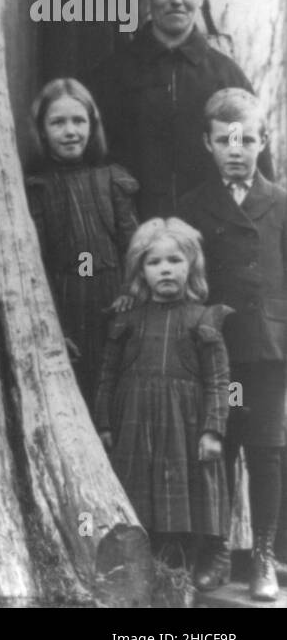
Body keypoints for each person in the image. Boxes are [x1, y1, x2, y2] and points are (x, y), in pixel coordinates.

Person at [176, 89, 287, 600]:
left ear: (262, 142)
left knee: (265, 452)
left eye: (246, 139)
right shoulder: (192, 207)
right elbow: (184, 281)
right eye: (225, 140)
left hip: (266, 353)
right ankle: (215, 548)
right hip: (217, 354)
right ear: (208, 143)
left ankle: (263, 555)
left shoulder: (280, 204)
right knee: (217, 449)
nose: (236, 149)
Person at [87, 0, 270, 221]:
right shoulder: (112, 75)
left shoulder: (227, 78)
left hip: (210, 238)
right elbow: (92, 164)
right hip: (133, 236)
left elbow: (252, 166)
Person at [94, 218, 231, 571]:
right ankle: (145, 561)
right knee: (139, 493)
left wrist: (213, 429)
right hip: (134, 425)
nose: (165, 270)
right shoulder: (126, 319)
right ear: (141, 272)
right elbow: (107, 376)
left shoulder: (204, 318)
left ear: (192, 265)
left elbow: (219, 380)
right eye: (154, 263)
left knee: (183, 493)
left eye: (175, 261)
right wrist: (104, 424)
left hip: (183, 425)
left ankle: (189, 560)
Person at [25, 79, 138, 404]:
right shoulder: (37, 188)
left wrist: (131, 296)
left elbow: (136, 249)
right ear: (42, 131)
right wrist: (52, 329)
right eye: (57, 123)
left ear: (92, 125)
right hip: (65, 309)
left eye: (79, 121)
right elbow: (35, 264)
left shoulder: (112, 179)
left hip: (115, 306)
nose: (70, 131)